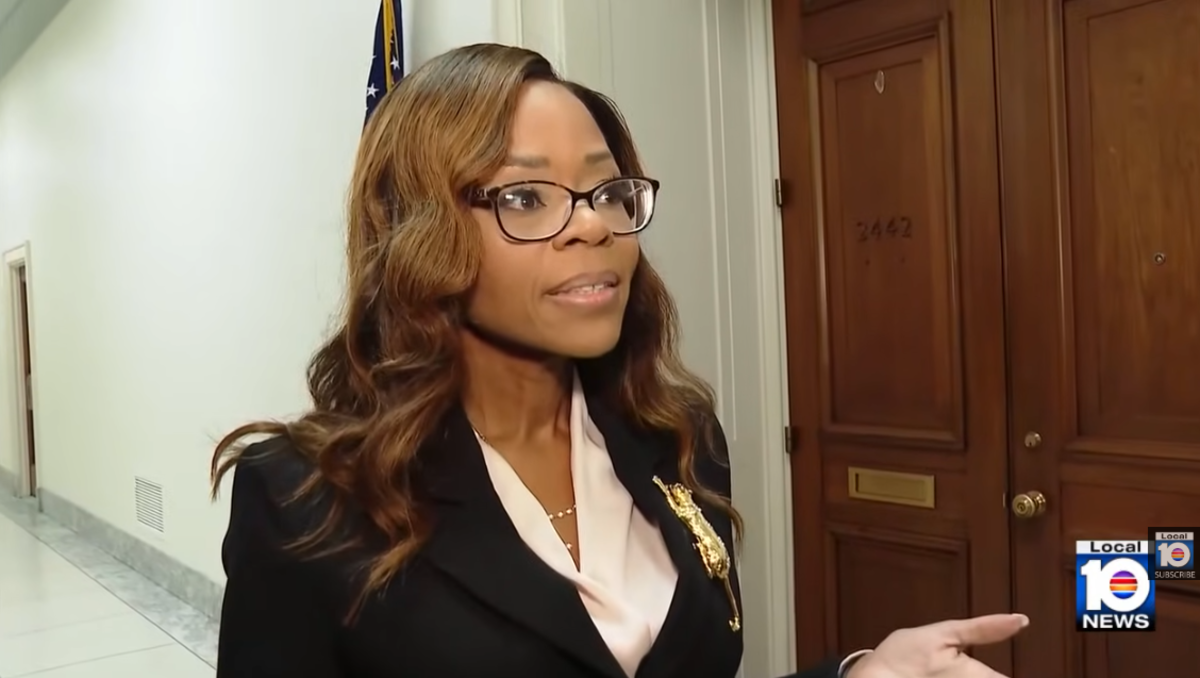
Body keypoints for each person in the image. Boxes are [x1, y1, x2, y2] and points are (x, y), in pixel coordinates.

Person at [211, 43, 1028, 678]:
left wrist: (859, 671)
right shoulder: (302, 498)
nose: (594, 226)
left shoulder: (678, 435)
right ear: (419, 232)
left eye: (607, 192)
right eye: (526, 198)